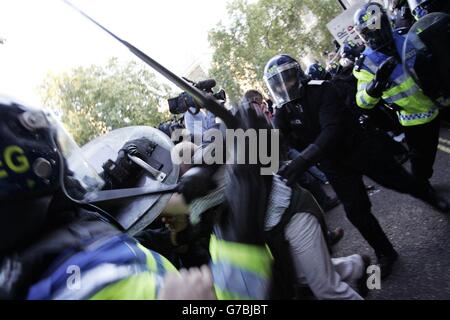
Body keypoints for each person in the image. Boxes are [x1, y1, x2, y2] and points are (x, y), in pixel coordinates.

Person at [0, 96, 272, 300]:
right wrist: (245, 218)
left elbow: (122, 245)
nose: (69, 171)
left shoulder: (40, 251)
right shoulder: (91, 286)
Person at [264, 54, 449, 278]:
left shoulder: (322, 89)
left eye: (288, 79)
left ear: (298, 75)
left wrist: (302, 161)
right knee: (356, 211)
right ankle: (385, 253)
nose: (284, 86)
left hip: (360, 149)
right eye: (277, 83)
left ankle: (431, 197)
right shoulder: (283, 110)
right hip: (334, 165)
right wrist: (263, 158)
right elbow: (276, 137)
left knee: (401, 182)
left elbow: (331, 130)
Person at [353, 2, 450, 192]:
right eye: (368, 30)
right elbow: (362, 101)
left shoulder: (408, 35)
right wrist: (375, 86)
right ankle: (425, 188)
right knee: (422, 162)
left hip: (442, 99)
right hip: (415, 118)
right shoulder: (365, 64)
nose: (374, 32)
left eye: (376, 25)